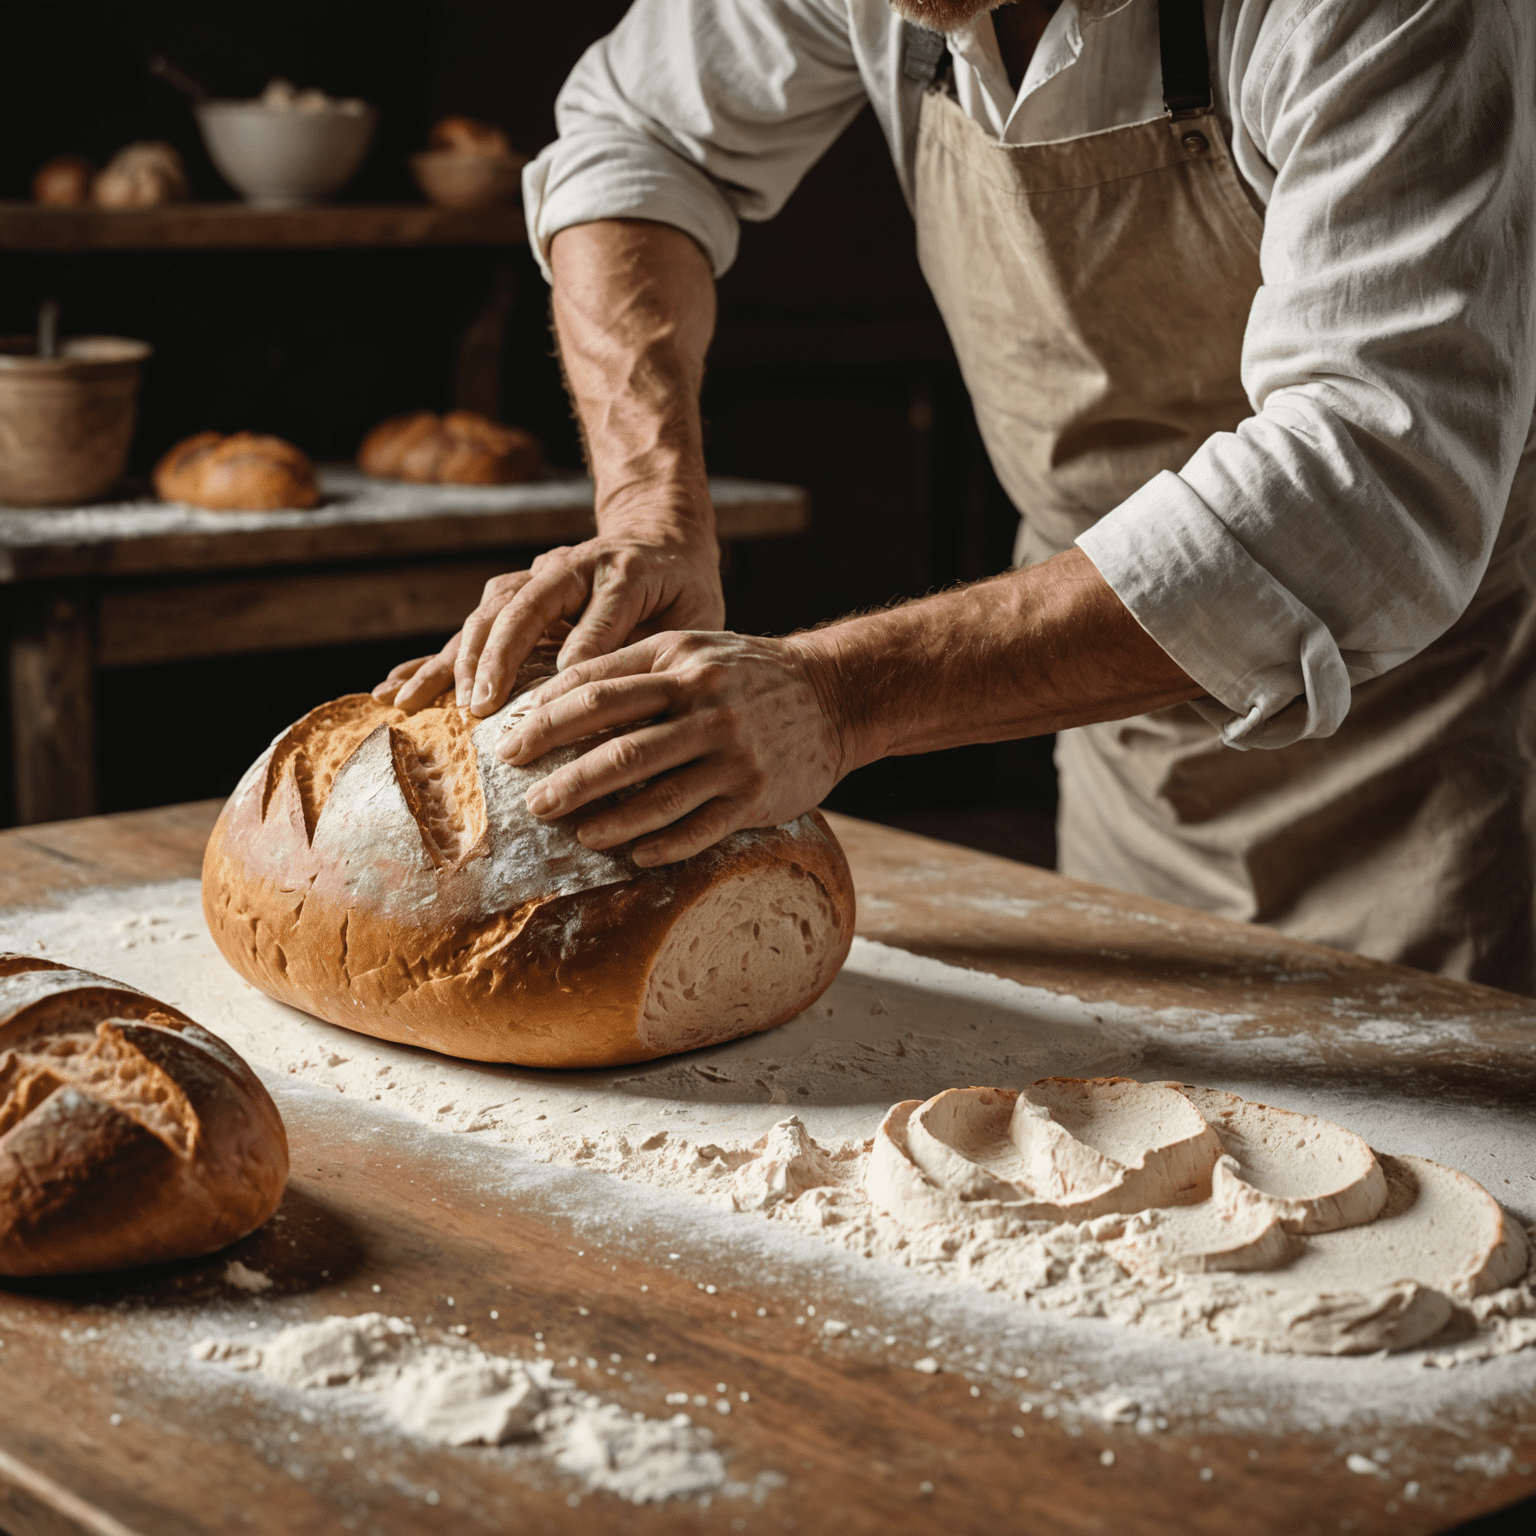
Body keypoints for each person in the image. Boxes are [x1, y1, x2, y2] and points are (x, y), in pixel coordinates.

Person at [374, 0, 1536, 994]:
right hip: (1103, 704)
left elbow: (1368, 483)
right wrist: (649, 511)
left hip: (1435, 731)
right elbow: (632, 137)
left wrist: (836, 697)